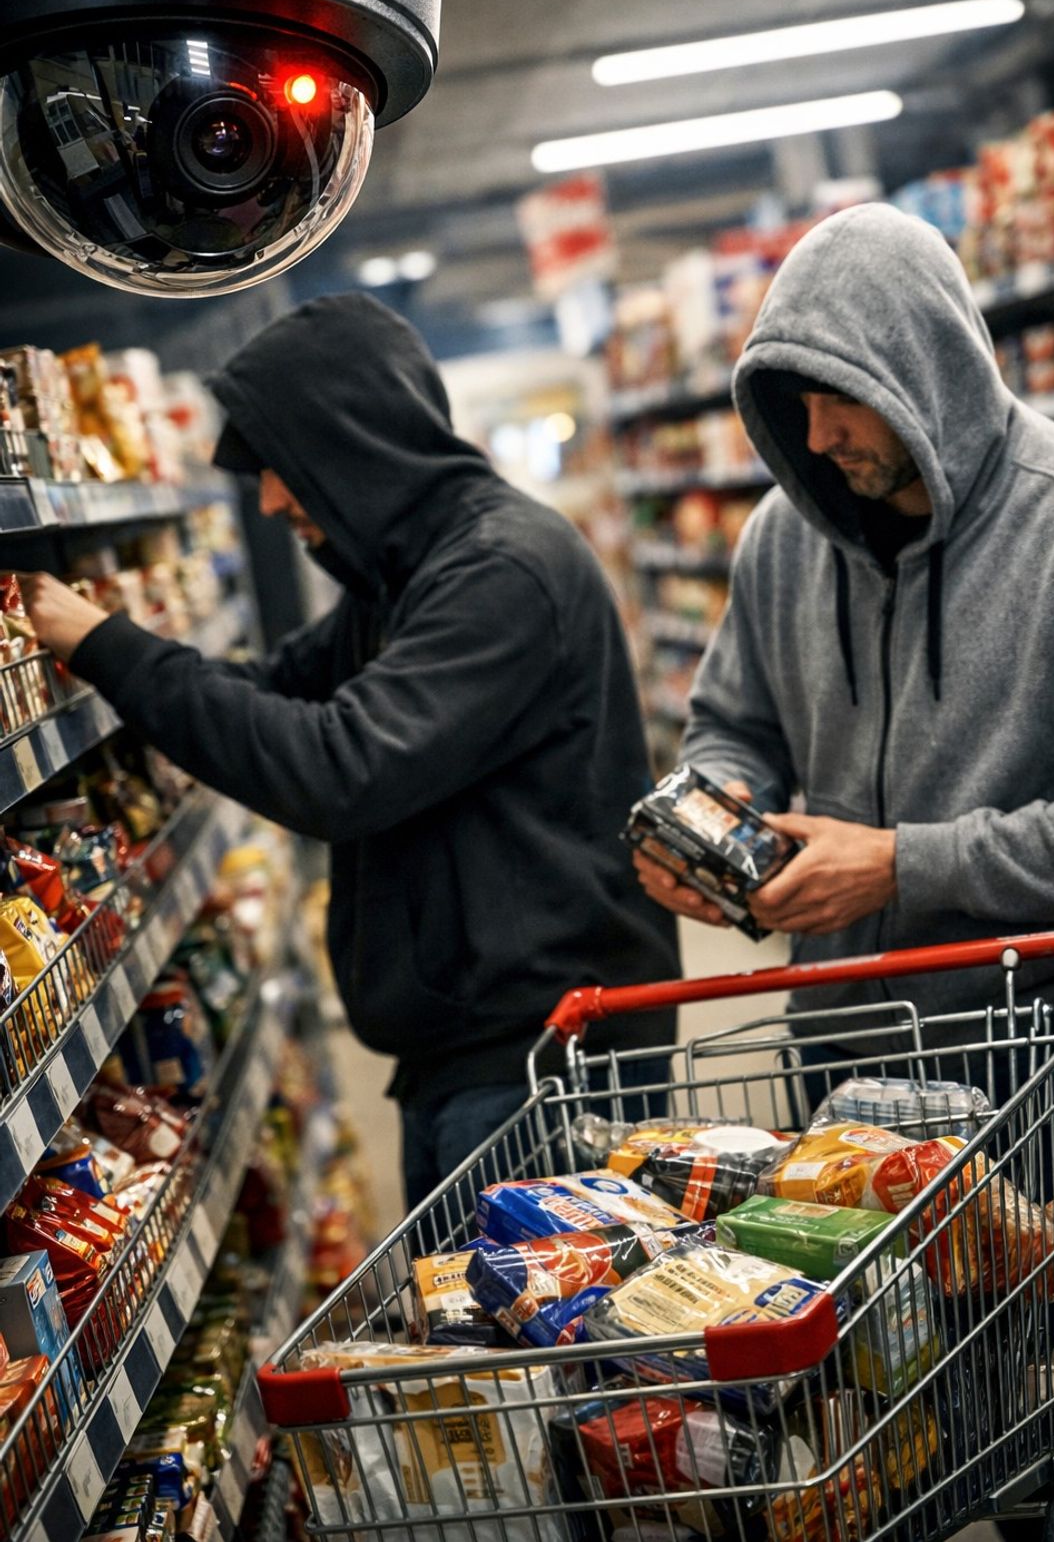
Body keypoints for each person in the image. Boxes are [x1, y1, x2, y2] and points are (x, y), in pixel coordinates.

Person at [632, 203, 1054, 1496]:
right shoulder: (780, 538)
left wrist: (904, 862)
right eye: (791, 405)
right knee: (917, 1424)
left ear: (926, 369)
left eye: (839, 398)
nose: (816, 438)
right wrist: (716, 817)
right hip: (852, 1068)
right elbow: (733, 724)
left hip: (1052, 1069)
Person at [20, 292, 681, 1209]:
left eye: (279, 467)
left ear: (351, 443)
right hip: (476, 1050)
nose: (269, 500)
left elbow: (337, 769)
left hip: (538, 1063)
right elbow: (272, 689)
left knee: (531, 1308)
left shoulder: (499, 571)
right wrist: (106, 659)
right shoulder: (402, 580)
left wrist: (106, 644)